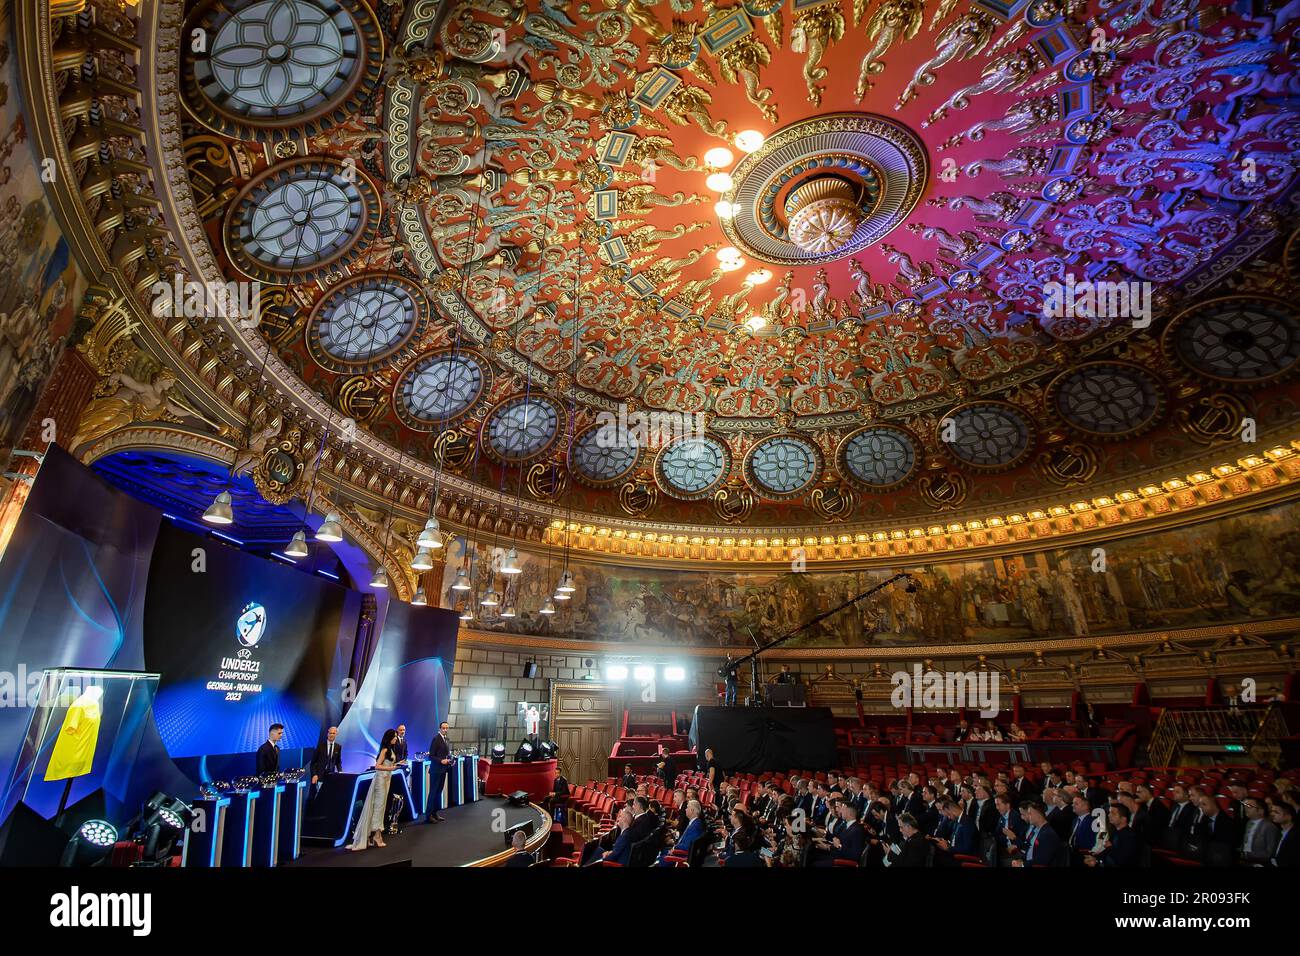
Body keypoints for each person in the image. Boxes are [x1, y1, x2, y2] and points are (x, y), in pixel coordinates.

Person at [348, 729, 400, 851]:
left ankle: (372, 835)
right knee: (378, 807)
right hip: (381, 780)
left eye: (396, 737)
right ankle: (377, 835)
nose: (396, 739)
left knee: (380, 807)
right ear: (389, 737)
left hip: (387, 780)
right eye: (394, 737)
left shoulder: (391, 749)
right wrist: (391, 768)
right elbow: (377, 766)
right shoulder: (385, 750)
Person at [1239, 797, 1280, 865]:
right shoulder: (1248, 823)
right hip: (1246, 861)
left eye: (1249, 806)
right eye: (1245, 806)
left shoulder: (1269, 827)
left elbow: (1270, 853)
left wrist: (1248, 854)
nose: (1245, 809)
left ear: (1261, 810)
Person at [427, 720, 451, 823]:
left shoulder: (446, 739)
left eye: (446, 728)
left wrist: (449, 759)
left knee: (438, 792)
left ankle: (435, 813)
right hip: (436, 770)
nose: (445, 730)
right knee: (433, 793)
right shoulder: (436, 739)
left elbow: (445, 754)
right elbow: (431, 756)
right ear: (440, 729)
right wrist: (441, 760)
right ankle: (428, 816)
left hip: (443, 770)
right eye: (443, 728)